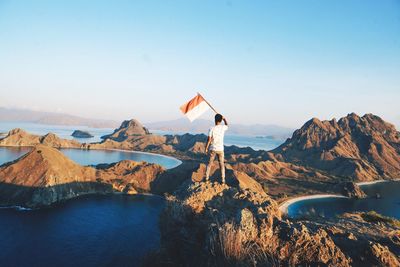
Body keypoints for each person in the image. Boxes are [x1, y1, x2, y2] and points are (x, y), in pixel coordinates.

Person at [205, 114, 228, 184]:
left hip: (213, 149)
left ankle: (206, 179)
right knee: (221, 165)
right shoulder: (223, 127)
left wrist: (206, 148)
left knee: (209, 164)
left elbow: (209, 139)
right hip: (220, 149)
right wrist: (224, 119)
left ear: (214, 120)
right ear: (221, 120)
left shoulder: (211, 128)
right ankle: (223, 180)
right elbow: (227, 125)